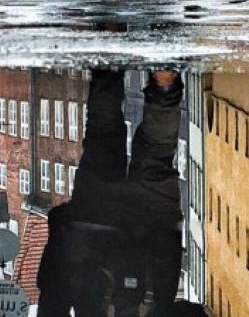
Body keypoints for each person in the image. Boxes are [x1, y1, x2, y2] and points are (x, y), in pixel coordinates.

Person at [36, 70, 192, 316]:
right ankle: (109, 48)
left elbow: (189, 312)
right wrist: (62, 232)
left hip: (154, 240)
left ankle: (164, 84)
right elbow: (52, 297)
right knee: (103, 133)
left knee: (157, 152)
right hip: (91, 233)